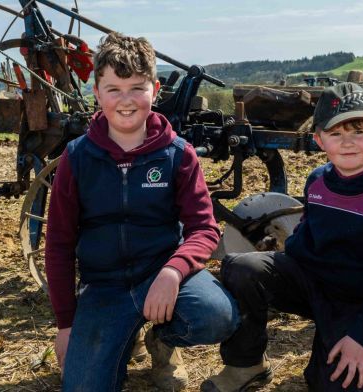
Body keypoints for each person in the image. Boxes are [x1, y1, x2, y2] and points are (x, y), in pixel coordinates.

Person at [44, 31, 239, 391]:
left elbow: (204, 229)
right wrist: (66, 325)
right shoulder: (77, 158)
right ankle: (120, 338)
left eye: (137, 88)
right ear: (97, 92)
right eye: (113, 89)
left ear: (155, 88)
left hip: (160, 274)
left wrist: (172, 272)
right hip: (104, 288)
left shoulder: (178, 154)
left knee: (217, 316)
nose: (126, 100)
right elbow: (57, 244)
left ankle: (162, 341)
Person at [201, 82, 363, 392]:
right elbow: (306, 233)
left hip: (356, 301)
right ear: (319, 140)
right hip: (312, 283)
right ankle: (247, 364)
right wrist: (283, 260)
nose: (347, 143)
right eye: (336, 134)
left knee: (337, 383)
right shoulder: (317, 181)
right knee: (241, 267)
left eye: (359, 131)